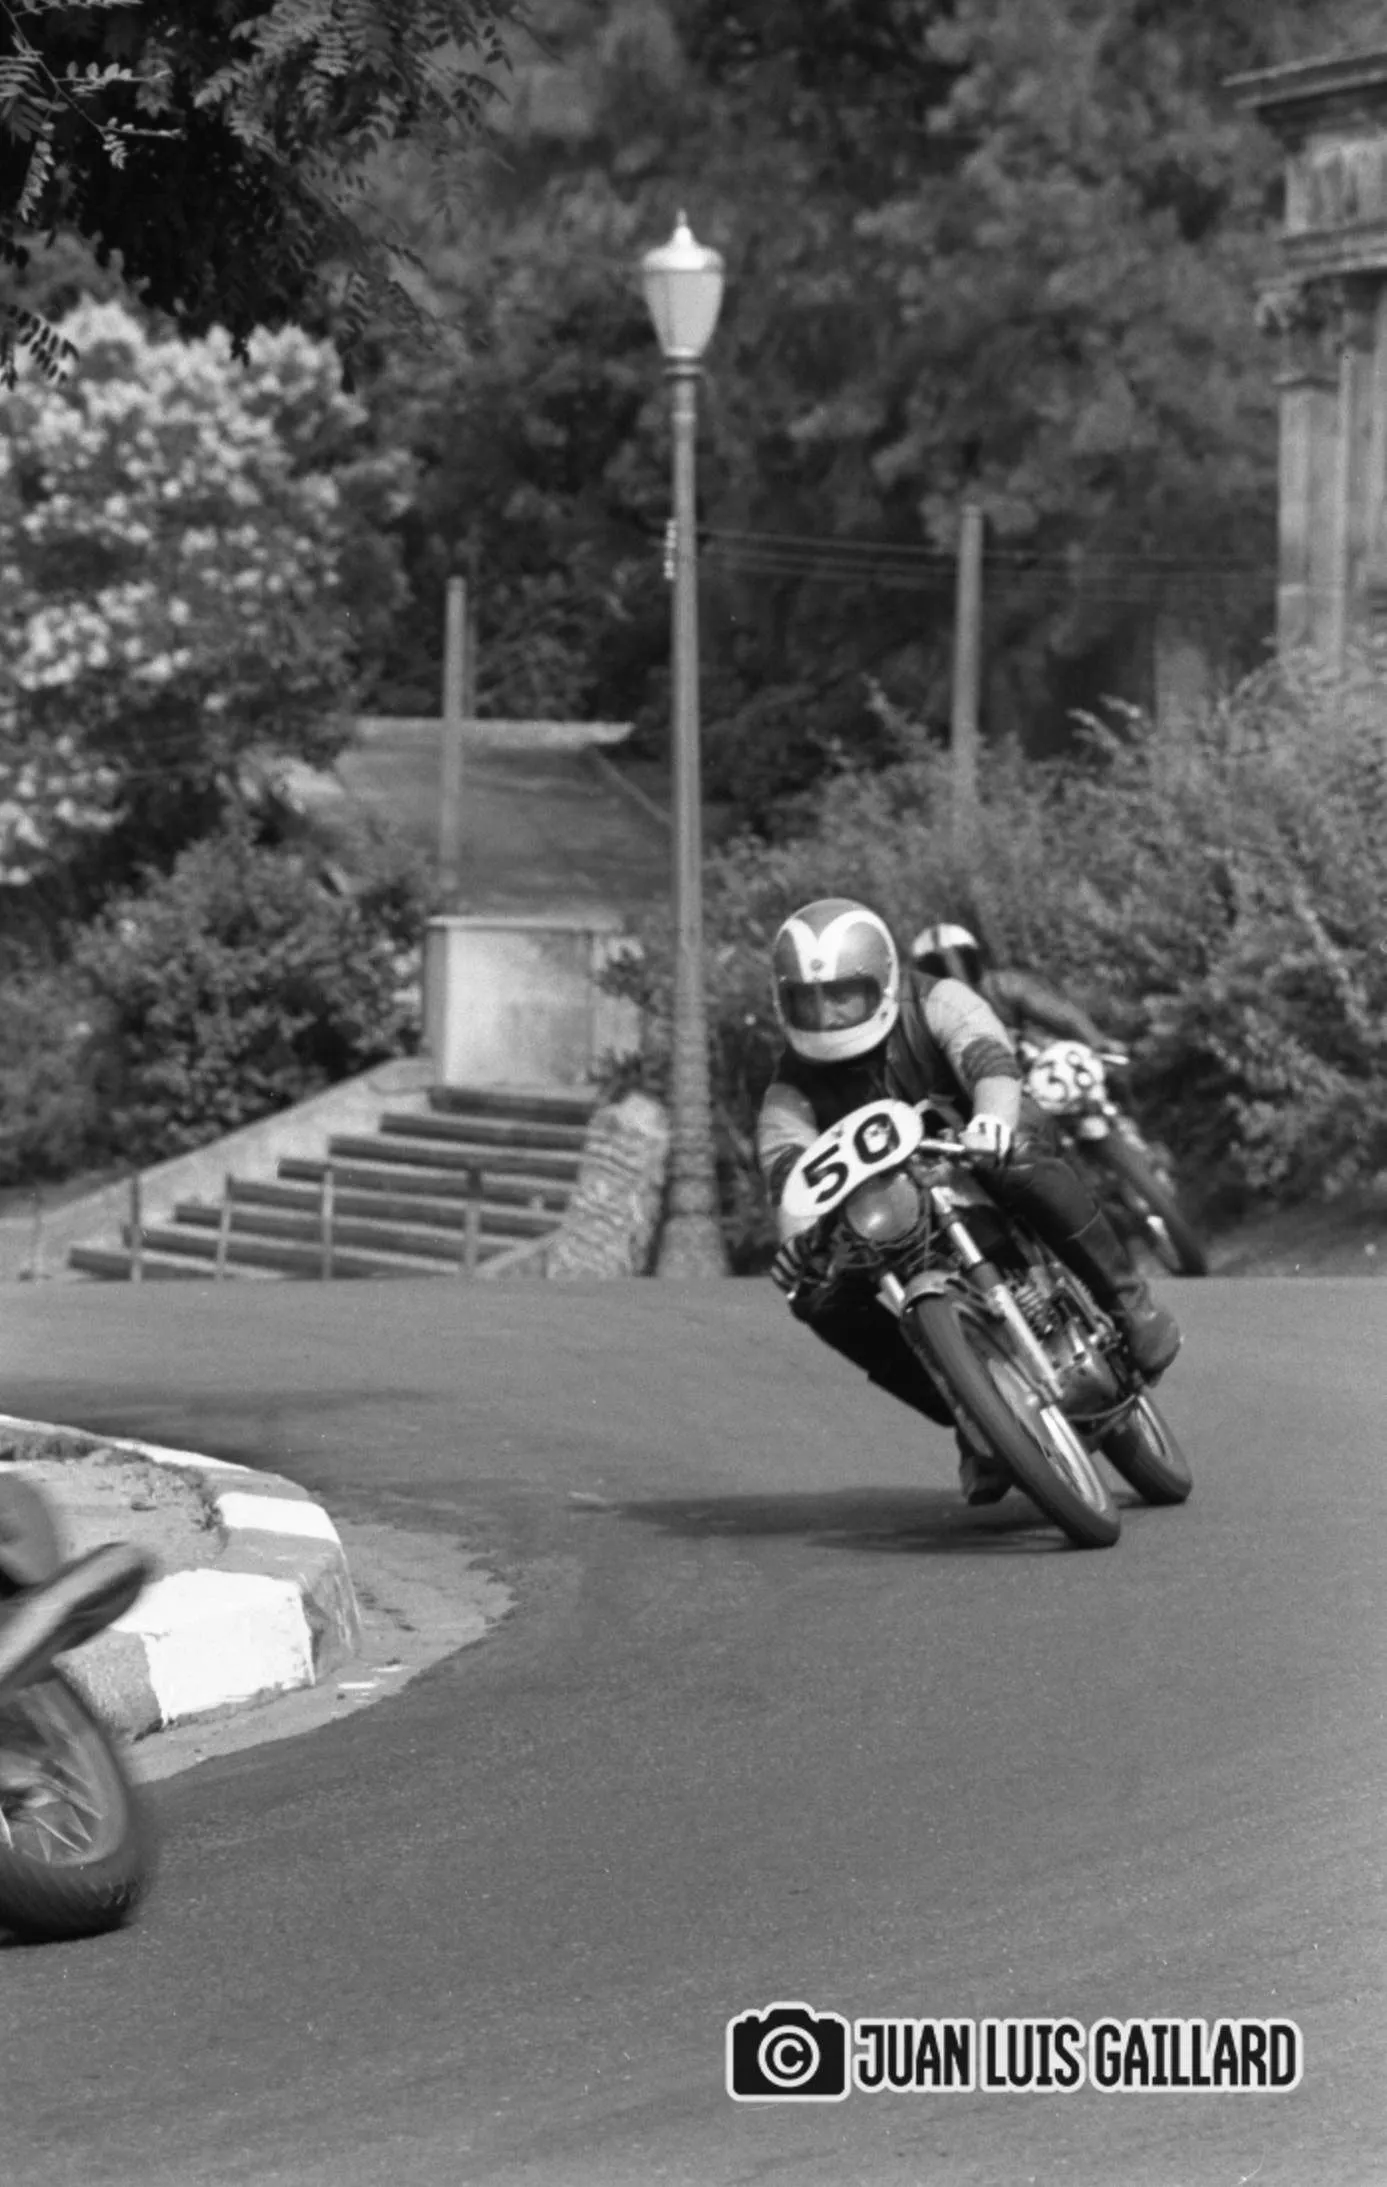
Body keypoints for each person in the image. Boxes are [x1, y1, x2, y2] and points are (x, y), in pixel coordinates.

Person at [757, 898, 1181, 1503]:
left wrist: (991, 1122)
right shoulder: (788, 1090)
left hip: (979, 1140)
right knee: (817, 1298)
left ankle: (1129, 1305)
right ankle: (973, 1415)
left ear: (882, 981)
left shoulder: (938, 1000)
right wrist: (798, 1243)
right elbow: (789, 1170)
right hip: (888, 1203)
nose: (826, 1014)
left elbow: (987, 1059)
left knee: (1021, 1159)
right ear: (784, 1001)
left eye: (843, 994)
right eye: (808, 999)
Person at [909, 922, 1121, 1059]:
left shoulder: (1004, 985)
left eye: (959, 959)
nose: (954, 971)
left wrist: (1097, 1043)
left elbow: (1063, 1015)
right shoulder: (923, 1012)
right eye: (937, 966)